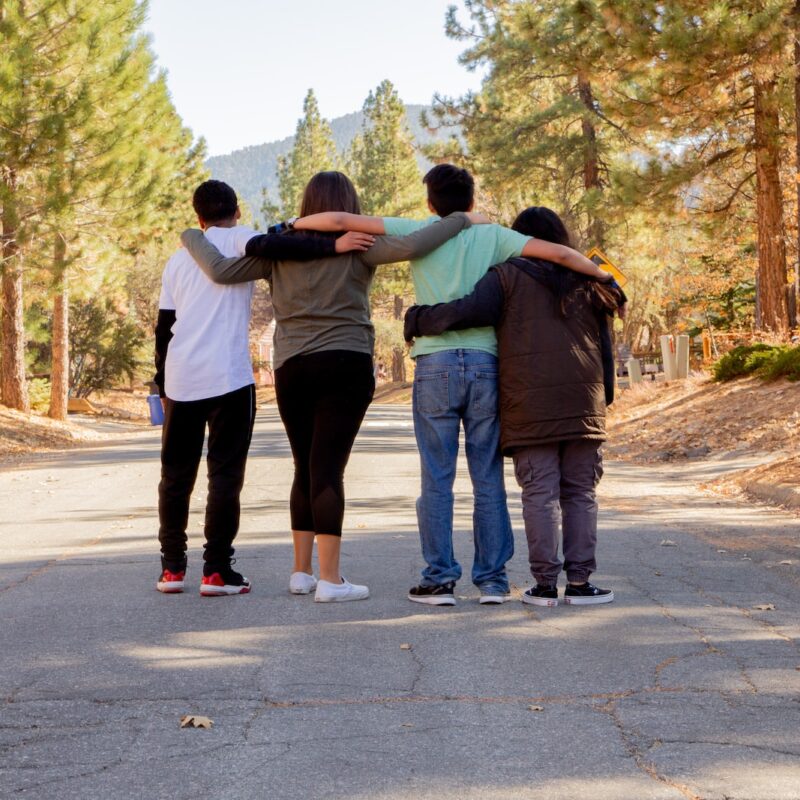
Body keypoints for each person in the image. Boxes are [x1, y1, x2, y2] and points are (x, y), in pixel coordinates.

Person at [180, 171, 479, 602]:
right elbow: (417, 242)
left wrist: (193, 233)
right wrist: (462, 220)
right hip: (345, 361)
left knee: (305, 466)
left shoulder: (280, 249)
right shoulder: (359, 242)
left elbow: (221, 270)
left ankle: (301, 572)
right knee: (328, 470)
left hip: (291, 367)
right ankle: (331, 580)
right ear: (346, 206)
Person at [382, 165, 611, 606]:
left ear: (431, 203)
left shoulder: (488, 265)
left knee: (442, 478)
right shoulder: (564, 272)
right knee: (499, 481)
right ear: (471, 201)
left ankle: (449, 579)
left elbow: (465, 309)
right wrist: (604, 276)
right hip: (527, 383)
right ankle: (497, 580)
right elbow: (598, 335)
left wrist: (415, 319)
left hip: (457, 374)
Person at [154, 179, 370, 597]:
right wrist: (336, 246)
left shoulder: (178, 260)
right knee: (225, 475)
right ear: (237, 209)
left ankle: (172, 569)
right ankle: (216, 572)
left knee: (175, 476)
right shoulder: (244, 238)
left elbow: (164, 328)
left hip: (180, 376)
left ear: (198, 216)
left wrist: (160, 381)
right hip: (229, 378)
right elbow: (292, 248)